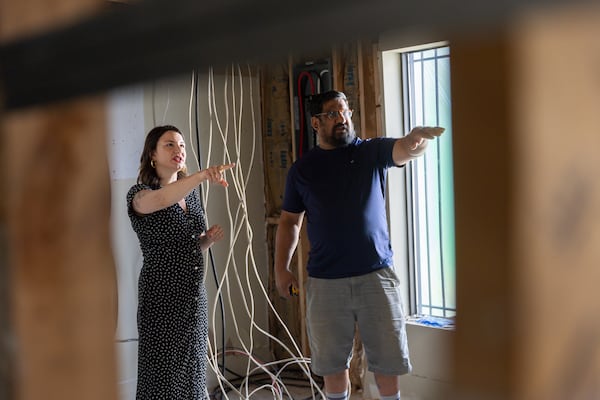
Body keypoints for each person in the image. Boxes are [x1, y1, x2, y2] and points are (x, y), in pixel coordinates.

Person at [274, 91, 444, 400]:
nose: (342, 119)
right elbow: (289, 223)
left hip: (376, 277)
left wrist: (414, 141)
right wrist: (281, 269)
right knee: (333, 369)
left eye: (345, 112)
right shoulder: (302, 170)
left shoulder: (370, 152)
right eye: (332, 114)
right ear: (315, 122)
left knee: (388, 369)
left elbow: (401, 150)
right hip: (326, 283)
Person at [127, 125, 234, 399]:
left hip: (193, 297)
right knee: (164, 372)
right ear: (152, 154)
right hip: (162, 298)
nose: (179, 150)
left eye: (182, 146)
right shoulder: (139, 194)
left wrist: (206, 240)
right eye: (170, 145)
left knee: (193, 370)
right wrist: (201, 175)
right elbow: (162, 199)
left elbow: (187, 245)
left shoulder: (191, 197)